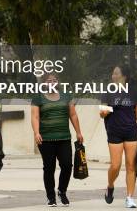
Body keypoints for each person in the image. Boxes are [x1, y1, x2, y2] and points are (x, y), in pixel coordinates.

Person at [31, 73, 83, 207]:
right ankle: (51, 197)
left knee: (67, 165)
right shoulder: (38, 97)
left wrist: (78, 132)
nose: (52, 82)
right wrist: (36, 132)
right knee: (49, 168)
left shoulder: (66, 96)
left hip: (64, 137)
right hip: (46, 139)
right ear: (44, 83)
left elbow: (73, 115)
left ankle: (62, 191)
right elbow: (35, 117)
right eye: (49, 81)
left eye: (54, 80)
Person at [100, 64, 137, 209]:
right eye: (113, 73)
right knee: (115, 166)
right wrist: (112, 105)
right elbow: (102, 114)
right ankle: (110, 186)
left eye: (116, 73)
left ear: (124, 76)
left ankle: (130, 198)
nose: (113, 76)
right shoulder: (107, 91)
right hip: (114, 131)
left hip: (131, 132)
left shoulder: (133, 92)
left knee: (131, 166)